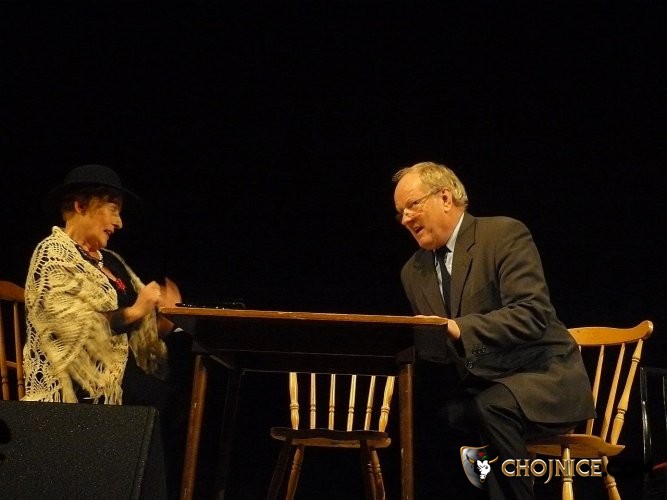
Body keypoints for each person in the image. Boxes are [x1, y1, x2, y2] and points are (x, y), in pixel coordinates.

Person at [392, 161, 595, 499]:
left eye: (413, 205)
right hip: (483, 386)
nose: (406, 219)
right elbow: (436, 346)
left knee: (490, 408)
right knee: (432, 419)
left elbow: (532, 314)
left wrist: (459, 328)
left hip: (543, 377)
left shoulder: (503, 235)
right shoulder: (413, 271)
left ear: (445, 197)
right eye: (400, 213)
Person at [22, 164, 194, 498]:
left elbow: (142, 328)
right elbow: (73, 328)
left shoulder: (110, 261)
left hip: (121, 375)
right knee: (171, 404)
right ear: (80, 206)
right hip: (80, 382)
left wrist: (165, 318)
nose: (119, 223)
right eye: (113, 210)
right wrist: (137, 310)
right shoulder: (52, 255)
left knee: (189, 394)